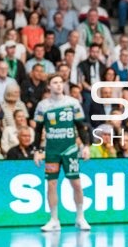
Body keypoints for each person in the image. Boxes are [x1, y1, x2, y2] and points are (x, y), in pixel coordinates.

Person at [33, 74, 91, 231]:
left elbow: (81, 126)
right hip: (52, 151)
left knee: (76, 184)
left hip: (70, 149)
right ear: (49, 86)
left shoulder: (73, 103)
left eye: (61, 82)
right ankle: (54, 220)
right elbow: (38, 130)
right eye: (55, 83)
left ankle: (80, 217)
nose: (59, 85)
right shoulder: (43, 106)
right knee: (51, 184)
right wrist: (37, 150)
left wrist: (85, 145)